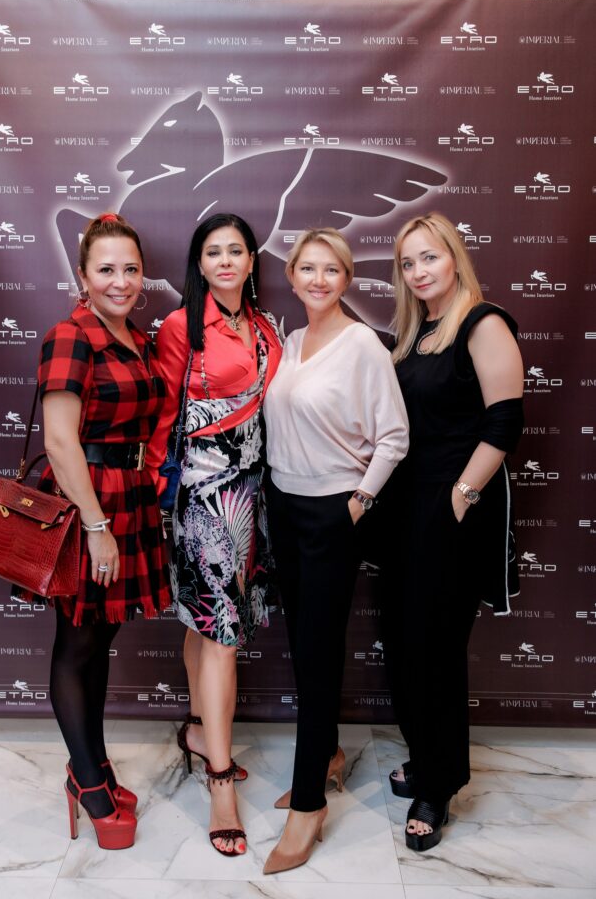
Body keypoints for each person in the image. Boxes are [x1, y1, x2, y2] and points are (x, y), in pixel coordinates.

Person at [14, 213, 169, 849]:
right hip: (90, 505)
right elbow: (58, 441)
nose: (121, 280)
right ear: (82, 276)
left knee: (97, 637)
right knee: (77, 641)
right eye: (106, 269)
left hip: (129, 497)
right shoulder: (70, 335)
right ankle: (86, 778)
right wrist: (97, 527)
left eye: (131, 269)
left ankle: (95, 763)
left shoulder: (133, 336)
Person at [261, 227, 409, 874]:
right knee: (302, 645)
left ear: (346, 279)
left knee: (318, 655)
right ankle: (324, 756)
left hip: (330, 515)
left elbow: (394, 437)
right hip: (283, 511)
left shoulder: (361, 347)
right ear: (291, 276)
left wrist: (356, 502)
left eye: (332, 270)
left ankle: (309, 806)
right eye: (308, 268)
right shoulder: (290, 342)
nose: (319, 279)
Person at [380, 212, 524, 852]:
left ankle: (438, 786)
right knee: (404, 643)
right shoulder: (414, 336)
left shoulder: (482, 322)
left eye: (429, 258)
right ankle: (423, 757)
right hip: (404, 508)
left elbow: (505, 423)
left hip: (453, 507)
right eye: (408, 263)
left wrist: (461, 498)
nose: (418, 272)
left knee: (435, 650)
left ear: (454, 258)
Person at [146, 213, 282, 857]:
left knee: (205, 629)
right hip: (203, 501)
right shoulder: (181, 328)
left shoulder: (262, 326)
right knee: (221, 633)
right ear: (198, 264)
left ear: (252, 259)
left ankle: (201, 730)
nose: (225, 261)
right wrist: (155, 498)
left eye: (236, 250)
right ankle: (220, 783)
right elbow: (162, 419)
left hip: (253, 495)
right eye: (212, 252)